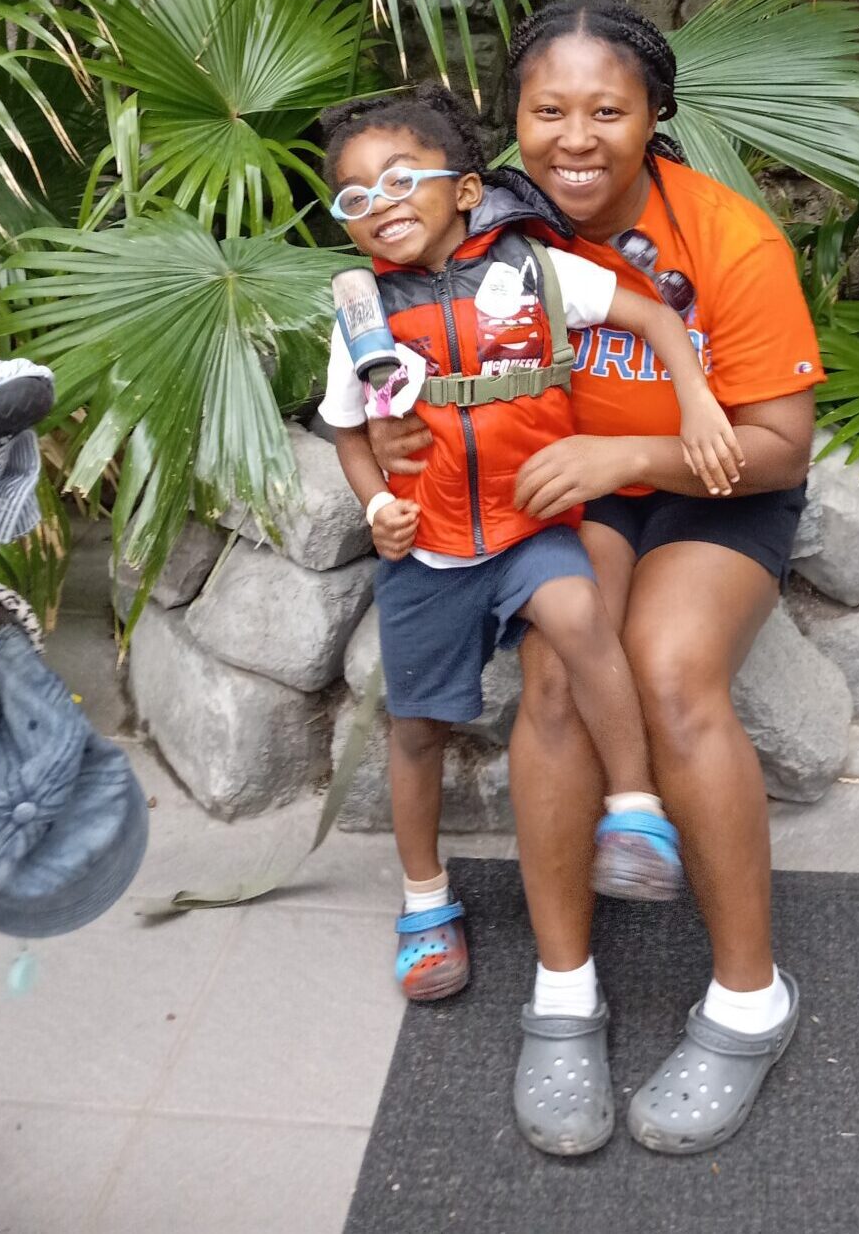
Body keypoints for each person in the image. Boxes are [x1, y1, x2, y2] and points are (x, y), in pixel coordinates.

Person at [365, 0, 824, 1157]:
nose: (577, 137)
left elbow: (778, 444)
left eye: (608, 110)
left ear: (656, 115)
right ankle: (563, 991)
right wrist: (397, 450)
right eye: (548, 109)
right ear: (508, 126)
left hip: (712, 486)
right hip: (571, 487)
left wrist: (630, 450)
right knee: (565, 671)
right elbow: (388, 367)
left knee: (670, 670)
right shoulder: (482, 234)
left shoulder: (729, 239)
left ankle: (748, 999)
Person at [315, 85, 745, 1005]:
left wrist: (697, 397)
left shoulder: (539, 272)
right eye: (353, 198)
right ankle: (425, 901)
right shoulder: (361, 320)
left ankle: (634, 811)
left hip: (530, 524)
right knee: (419, 728)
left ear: (466, 190)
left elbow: (656, 317)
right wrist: (372, 506)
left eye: (399, 181)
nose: (378, 205)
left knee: (580, 611)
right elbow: (352, 432)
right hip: (425, 548)